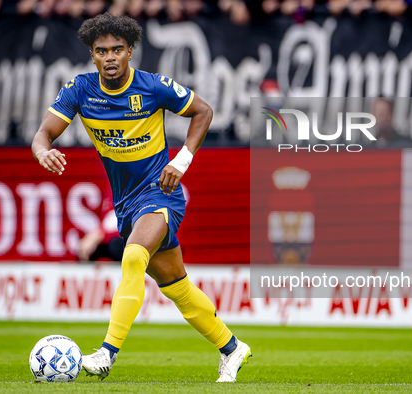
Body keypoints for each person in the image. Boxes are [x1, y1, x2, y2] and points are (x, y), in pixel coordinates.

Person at [30, 13, 251, 383]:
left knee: (133, 255)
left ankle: (107, 351)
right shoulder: (80, 90)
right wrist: (41, 152)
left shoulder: (151, 86)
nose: (111, 56)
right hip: (127, 203)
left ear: (130, 51)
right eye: (102, 51)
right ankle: (232, 348)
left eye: (118, 49)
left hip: (161, 193)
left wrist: (181, 161)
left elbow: (204, 111)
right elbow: (43, 134)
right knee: (175, 284)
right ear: (93, 55)